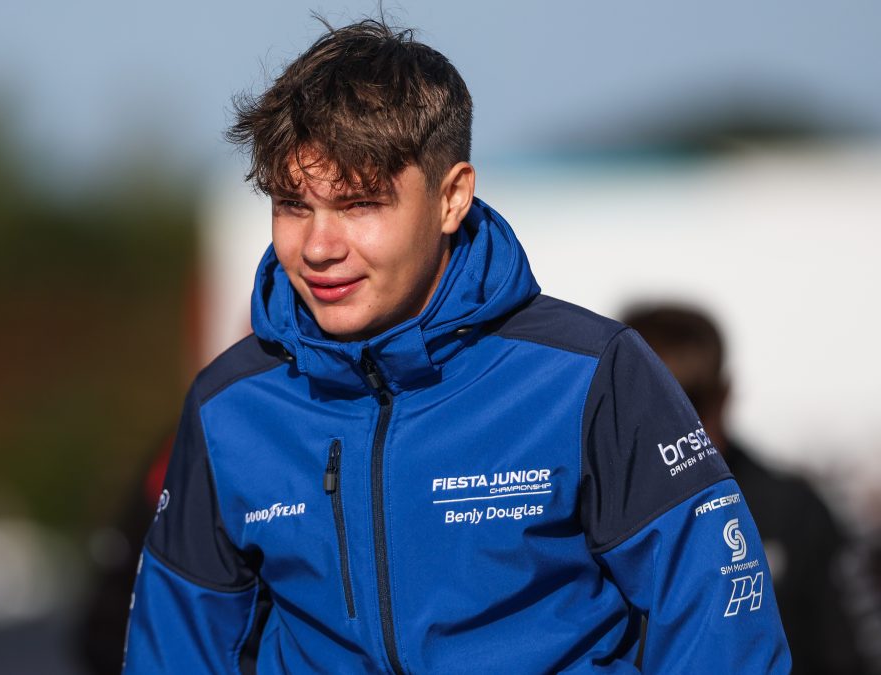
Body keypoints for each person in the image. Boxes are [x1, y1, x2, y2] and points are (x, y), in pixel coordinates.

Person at [123, 18, 790, 673]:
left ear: (452, 197)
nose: (319, 246)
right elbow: (173, 648)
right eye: (294, 204)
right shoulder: (229, 405)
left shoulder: (587, 375)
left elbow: (721, 625)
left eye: (359, 204)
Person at [624, 303, 866, 674]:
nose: (682, 433)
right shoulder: (587, 513)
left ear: (724, 396)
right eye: (661, 409)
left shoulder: (792, 509)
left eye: (696, 404)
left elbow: (852, 649)